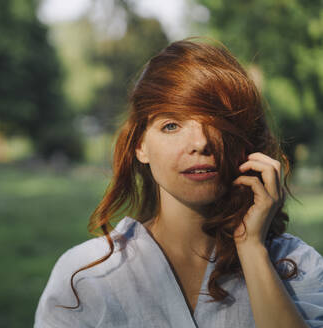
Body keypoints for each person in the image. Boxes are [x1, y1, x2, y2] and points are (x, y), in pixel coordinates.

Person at [34, 38, 323, 328]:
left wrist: (252, 248)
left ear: (245, 138)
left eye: (218, 122)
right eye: (171, 125)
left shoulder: (298, 266)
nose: (200, 143)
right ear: (140, 146)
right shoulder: (84, 277)